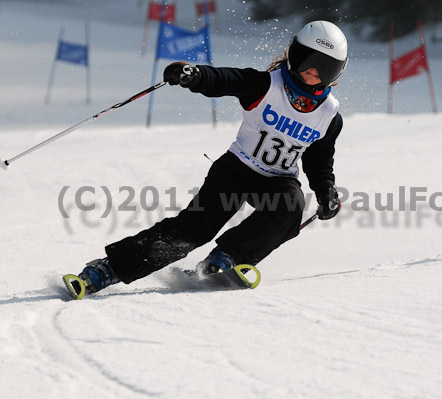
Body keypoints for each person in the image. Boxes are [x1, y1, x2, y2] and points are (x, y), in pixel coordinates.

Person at [66, 20, 348, 297]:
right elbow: (226, 80)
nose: (313, 71)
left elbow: (319, 159)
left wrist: (325, 190)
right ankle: (108, 270)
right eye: (307, 60)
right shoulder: (264, 85)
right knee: (194, 229)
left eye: (325, 67)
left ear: (336, 73)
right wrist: (195, 75)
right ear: (293, 55)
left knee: (290, 207)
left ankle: (227, 258)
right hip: (236, 170)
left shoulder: (329, 116)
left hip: (277, 180)